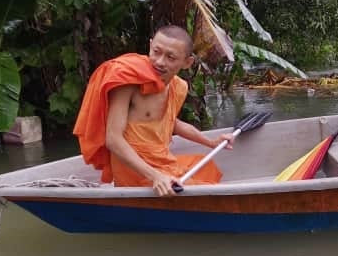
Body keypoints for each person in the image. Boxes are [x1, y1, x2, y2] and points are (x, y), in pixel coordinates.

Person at [74, 25, 234, 195]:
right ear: (150, 45)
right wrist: (156, 176)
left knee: (204, 166)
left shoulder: (177, 87)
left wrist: (211, 142)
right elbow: (113, 139)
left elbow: (172, 122)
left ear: (187, 63)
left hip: (161, 163)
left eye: (170, 57)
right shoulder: (127, 81)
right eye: (156, 52)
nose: (160, 62)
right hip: (135, 171)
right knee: (200, 188)